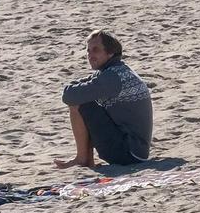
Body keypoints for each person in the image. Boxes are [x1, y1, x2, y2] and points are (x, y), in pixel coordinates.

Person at [54, 31, 153, 168]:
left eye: (95, 50)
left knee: (79, 103)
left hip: (128, 153)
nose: (90, 55)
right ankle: (86, 159)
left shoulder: (112, 78)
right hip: (137, 151)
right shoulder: (118, 70)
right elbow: (80, 87)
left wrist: (76, 88)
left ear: (110, 53)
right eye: (88, 51)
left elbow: (69, 96)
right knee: (85, 97)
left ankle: (82, 159)